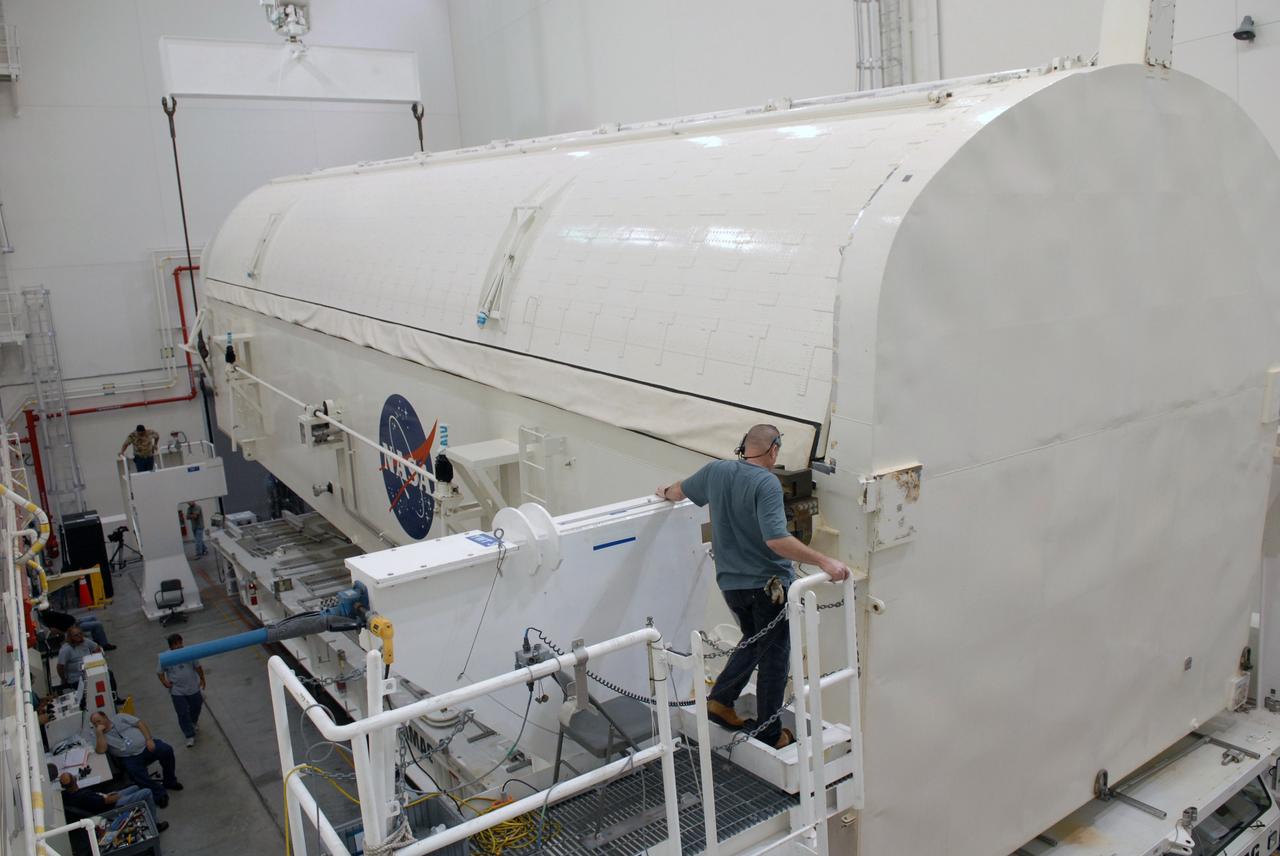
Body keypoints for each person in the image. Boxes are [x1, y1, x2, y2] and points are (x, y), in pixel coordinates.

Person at [657, 424, 850, 750]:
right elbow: (776, 540)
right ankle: (770, 733)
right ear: (774, 449)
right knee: (775, 657)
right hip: (768, 586)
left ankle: (721, 700)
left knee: (753, 641)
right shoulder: (767, 484)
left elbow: (678, 491)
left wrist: (662, 492)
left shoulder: (715, 471)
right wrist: (824, 562)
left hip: (731, 585)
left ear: (743, 447)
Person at [90, 711, 182, 807]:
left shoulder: (120, 718)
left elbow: (140, 723)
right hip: (129, 757)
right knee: (135, 772)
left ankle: (170, 781)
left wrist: (149, 739)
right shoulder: (99, 735)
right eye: (95, 724)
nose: (97, 724)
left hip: (145, 746)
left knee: (166, 750)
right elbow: (101, 750)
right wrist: (99, 733)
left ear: (105, 717)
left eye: (98, 721)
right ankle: (159, 795)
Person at [58, 772, 169, 831]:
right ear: (75, 780)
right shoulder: (84, 796)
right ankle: (155, 825)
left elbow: (99, 799)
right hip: (113, 807)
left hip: (104, 800)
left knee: (135, 788)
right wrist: (115, 796)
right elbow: (106, 802)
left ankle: (145, 811)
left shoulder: (69, 795)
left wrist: (107, 795)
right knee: (147, 792)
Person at [157, 633, 205, 747]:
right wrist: (164, 682)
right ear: (171, 646)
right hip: (177, 690)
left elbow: (198, 666)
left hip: (193, 687)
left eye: (180, 643)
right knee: (182, 713)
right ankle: (189, 735)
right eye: (176, 644)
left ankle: (193, 722)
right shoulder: (166, 657)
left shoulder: (189, 652)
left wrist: (203, 678)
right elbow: (159, 672)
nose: (179, 646)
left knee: (197, 705)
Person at [39, 608, 116, 650]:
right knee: (98, 624)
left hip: (75, 622)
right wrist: (69, 632)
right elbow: (54, 630)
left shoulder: (48, 615)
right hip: (74, 627)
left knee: (93, 617)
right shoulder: (48, 618)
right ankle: (104, 644)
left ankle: (97, 639)